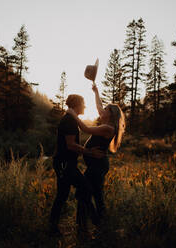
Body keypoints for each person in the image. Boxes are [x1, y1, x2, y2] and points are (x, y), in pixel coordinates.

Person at [67, 84, 125, 224]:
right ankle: (97, 222)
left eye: (105, 109)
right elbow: (99, 106)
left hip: (98, 165)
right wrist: (96, 92)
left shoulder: (108, 128)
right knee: (95, 194)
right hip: (96, 164)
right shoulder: (107, 122)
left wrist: (73, 114)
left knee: (85, 193)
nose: (101, 110)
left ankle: (92, 223)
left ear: (110, 114)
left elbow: (85, 128)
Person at [49, 94, 104, 237]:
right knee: (85, 188)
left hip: (66, 163)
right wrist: (89, 152)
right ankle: (94, 224)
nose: (85, 106)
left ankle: (55, 228)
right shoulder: (69, 121)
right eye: (83, 103)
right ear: (76, 105)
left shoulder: (70, 119)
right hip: (64, 164)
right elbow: (71, 145)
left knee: (63, 195)